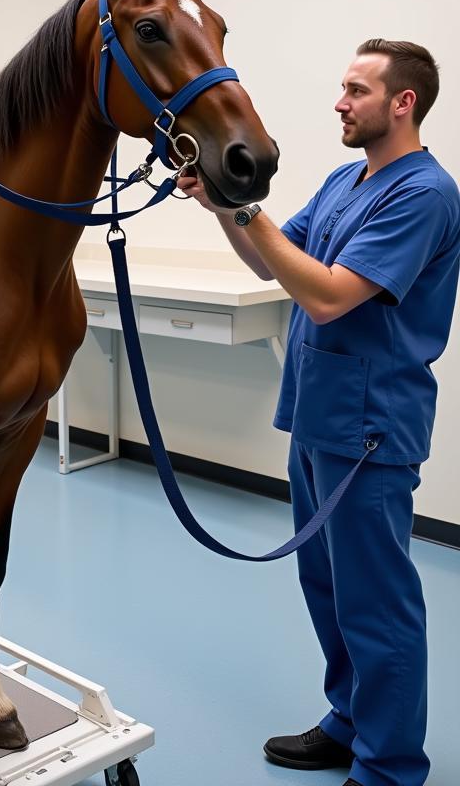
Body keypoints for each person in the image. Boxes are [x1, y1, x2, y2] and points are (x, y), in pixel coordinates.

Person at [179, 39, 459, 786]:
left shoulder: (424, 194)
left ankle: (390, 765)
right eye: (342, 87)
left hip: (370, 427)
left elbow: (331, 295)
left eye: (356, 90)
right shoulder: (345, 179)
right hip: (317, 415)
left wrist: (245, 203)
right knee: (328, 589)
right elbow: (274, 264)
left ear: (403, 103)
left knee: (377, 603)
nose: (339, 101)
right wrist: (220, 207)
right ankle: (349, 719)